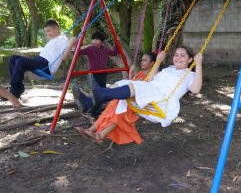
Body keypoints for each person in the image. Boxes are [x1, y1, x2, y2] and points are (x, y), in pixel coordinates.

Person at [75, 46, 203, 144]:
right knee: (124, 84)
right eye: (176, 55)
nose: (178, 58)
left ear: (190, 59)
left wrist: (198, 65)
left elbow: (196, 89)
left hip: (163, 101)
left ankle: (99, 96)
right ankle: (91, 104)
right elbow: (149, 80)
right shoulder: (168, 69)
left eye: (182, 56)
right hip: (151, 92)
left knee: (136, 85)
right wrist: (158, 61)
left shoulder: (190, 75)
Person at [72, 52, 157, 115]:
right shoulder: (140, 73)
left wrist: (159, 60)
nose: (141, 62)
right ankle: (89, 103)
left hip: (141, 98)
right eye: (142, 60)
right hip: (130, 94)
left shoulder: (154, 75)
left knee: (123, 83)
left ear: (152, 63)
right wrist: (130, 73)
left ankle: (91, 101)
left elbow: (145, 87)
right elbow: (131, 86)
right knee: (123, 84)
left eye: (145, 60)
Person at [7, 19, 71, 98]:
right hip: (40, 60)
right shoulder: (54, 40)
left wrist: (71, 44)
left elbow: (64, 57)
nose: (48, 34)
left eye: (49, 31)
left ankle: (15, 92)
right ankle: (17, 87)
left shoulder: (63, 40)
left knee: (20, 62)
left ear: (56, 28)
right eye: (46, 32)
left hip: (46, 65)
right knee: (12, 59)